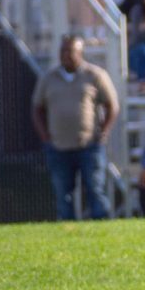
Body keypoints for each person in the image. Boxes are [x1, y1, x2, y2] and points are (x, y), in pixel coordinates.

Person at [31, 35, 119, 220]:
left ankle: (104, 229)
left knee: (95, 189)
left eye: (70, 51)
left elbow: (112, 105)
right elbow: (37, 108)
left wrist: (104, 131)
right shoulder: (49, 78)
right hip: (59, 146)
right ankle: (67, 232)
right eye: (62, 51)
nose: (65, 55)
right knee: (63, 194)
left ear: (80, 53)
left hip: (89, 145)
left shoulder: (94, 75)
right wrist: (45, 137)